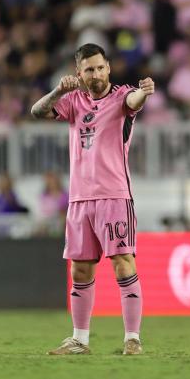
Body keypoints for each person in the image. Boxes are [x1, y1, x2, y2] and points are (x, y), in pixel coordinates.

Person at [31, 43, 154, 355]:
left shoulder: (121, 96)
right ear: (79, 73)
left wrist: (145, 92)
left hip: (114, 196)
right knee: (80, 270)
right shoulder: (73, 101)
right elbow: (37, 111)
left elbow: (134, 100)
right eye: (89, 69)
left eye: (100, 67)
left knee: (123, 264)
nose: (96, 74)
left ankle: (132, 339)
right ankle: (80, 341)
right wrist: (58, 90)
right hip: (79, 200)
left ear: (108, 67)